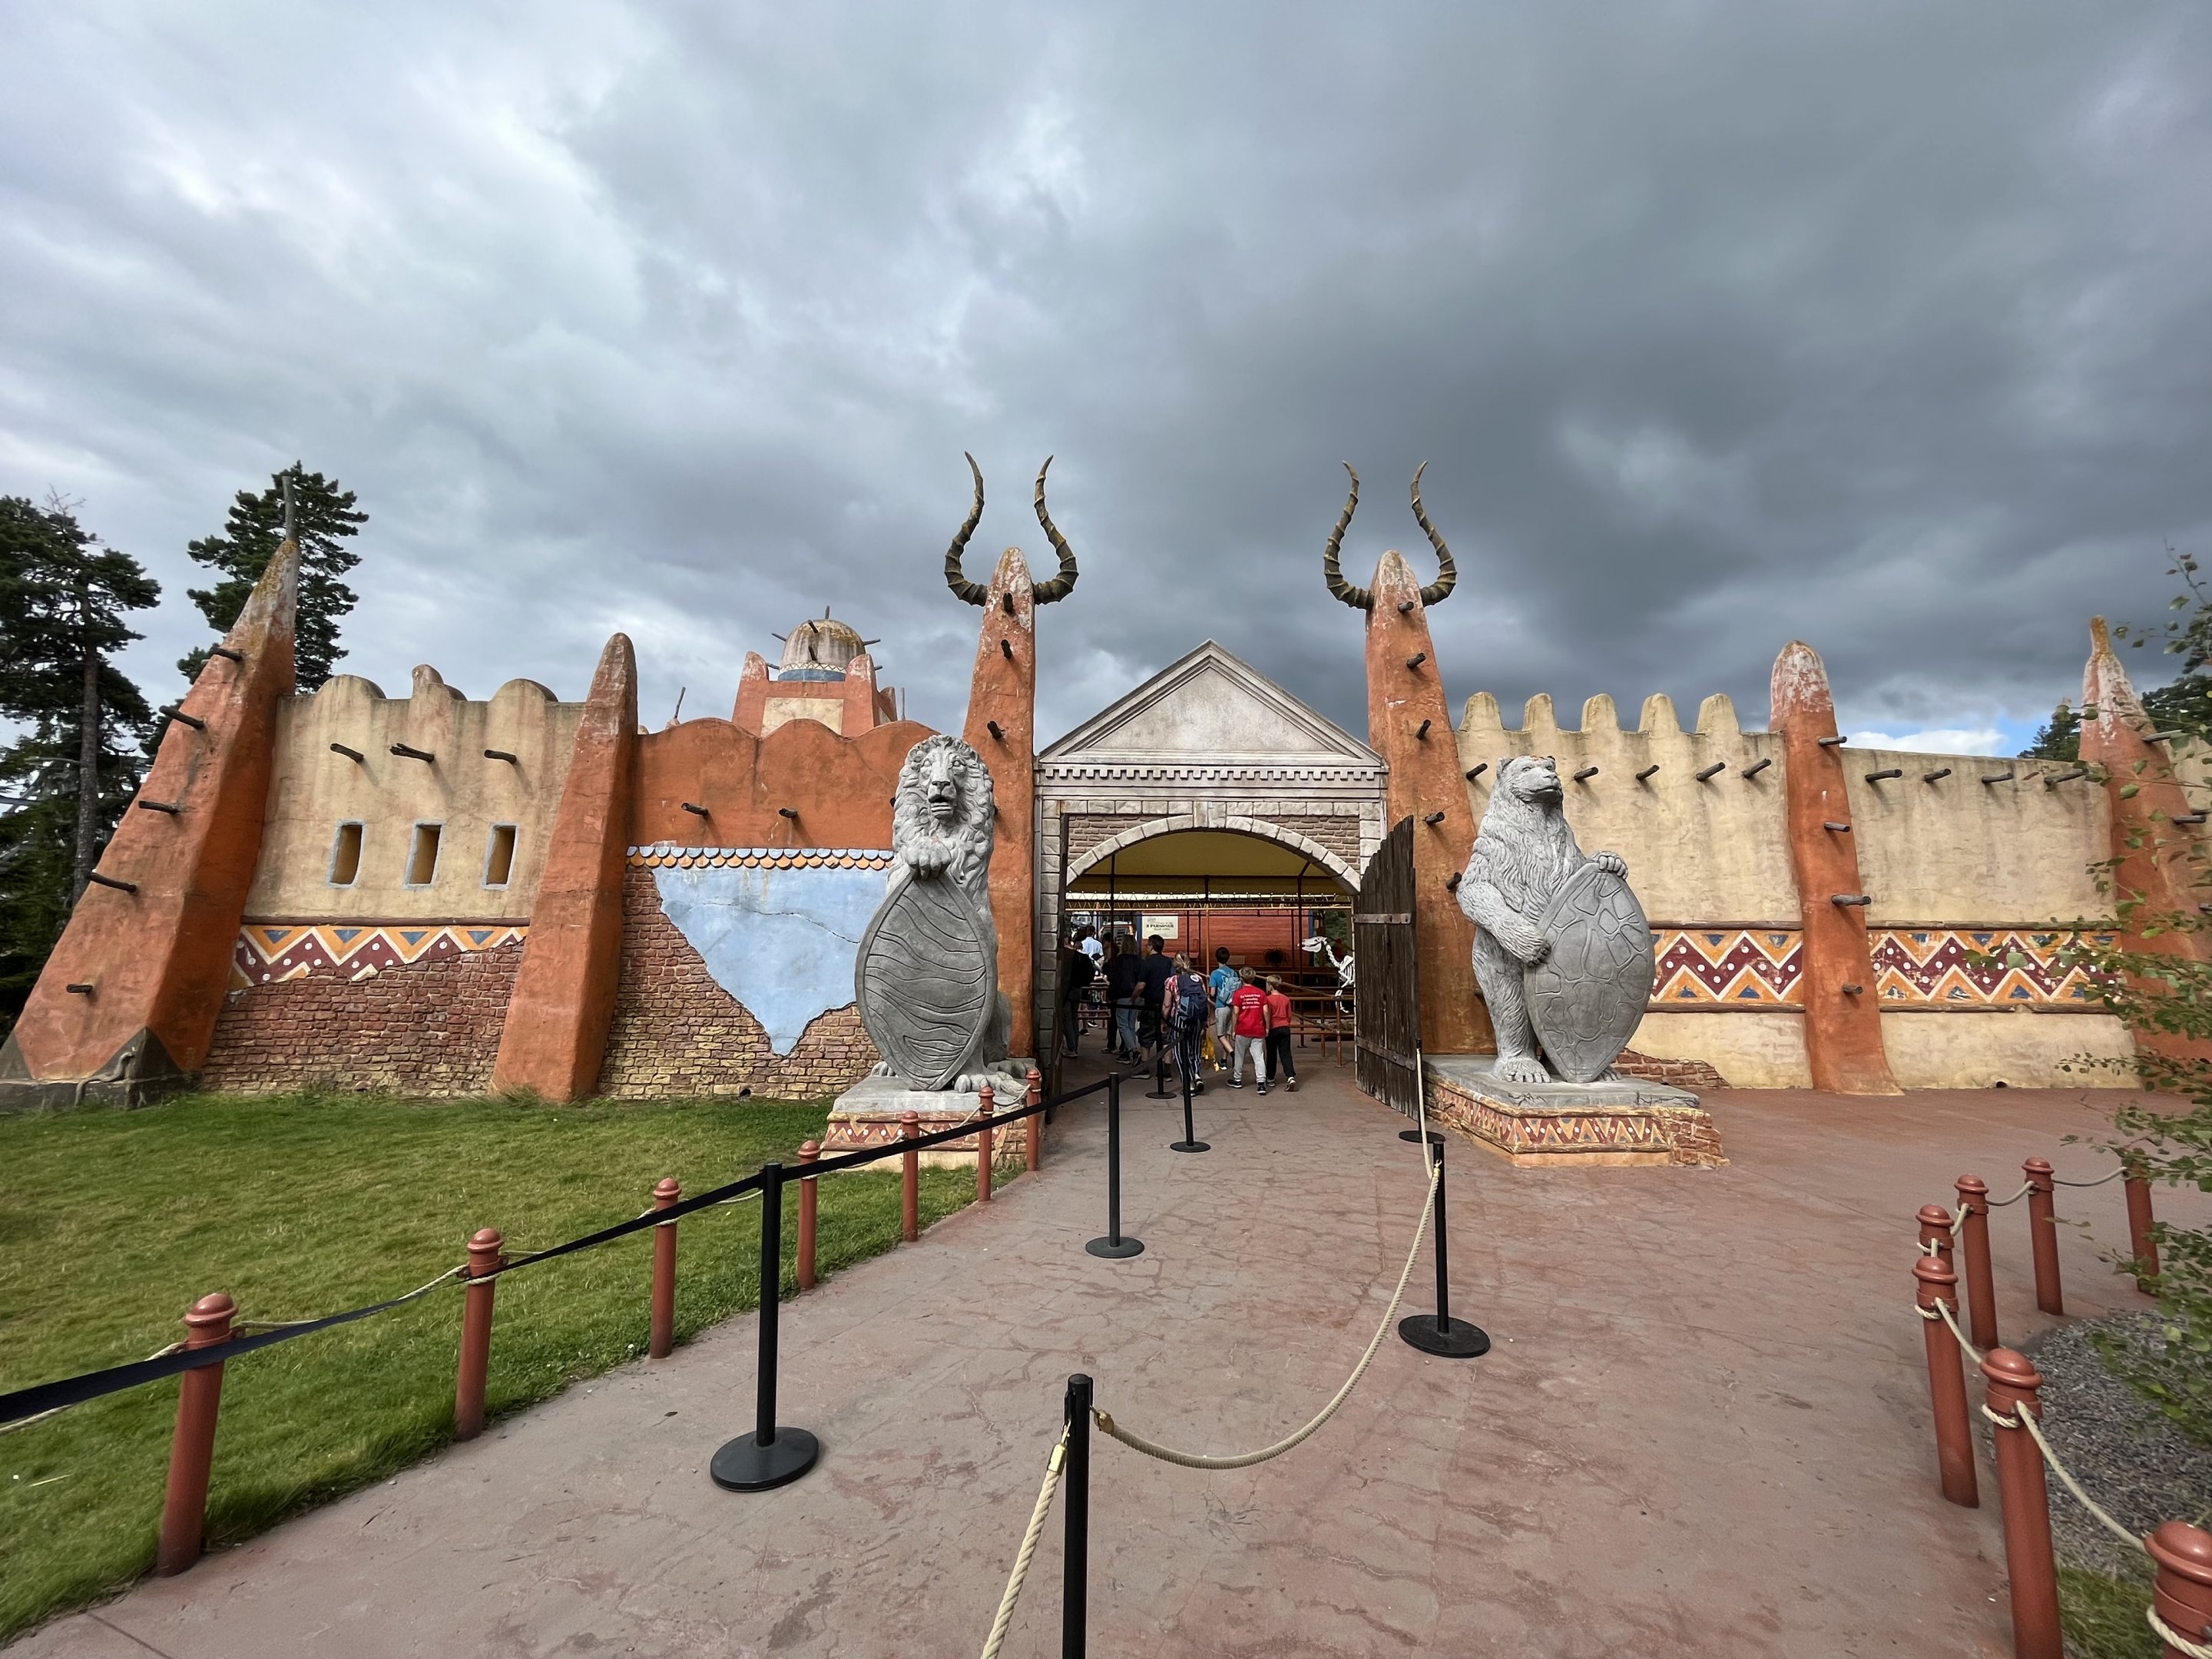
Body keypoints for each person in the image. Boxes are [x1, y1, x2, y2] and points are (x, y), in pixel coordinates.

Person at [1164, 952, 1210, 1091]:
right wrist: (1206, 1019)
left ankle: (1188, 1084)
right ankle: (1196, 1075)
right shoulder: (1198, 978)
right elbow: (1204, 998)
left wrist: (1164, 1020)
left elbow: (1167, 1005)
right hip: (1198, 1018)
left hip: (1181, 1018)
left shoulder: (1171, 981)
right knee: (1195, 1048)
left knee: (1180, 1051)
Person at [1137, 934, 1177, 1068]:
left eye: (1148, 944)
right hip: (1166, 1004)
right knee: (1166, 1038)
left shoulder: (1147, 963)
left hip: (1150, 1005)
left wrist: (1133, 997)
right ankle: (1167, 1069)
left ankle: (1144, 1068)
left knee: (1145, 1038)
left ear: (1151, 946)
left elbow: (1141, 985)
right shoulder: (1169, 962)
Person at [1228, 968, 1270, 1092]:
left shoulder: (1238, 994)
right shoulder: (1261, 993)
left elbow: (1236, 1013)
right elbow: (1266, 1011)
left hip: (1243, 1029)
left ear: (1241, 978)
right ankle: (1261, 1082)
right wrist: (1267, 1026)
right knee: (1259, 1057)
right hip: (1257, 1029)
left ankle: (1237, 1079)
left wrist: (1234, 1029)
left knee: (1239, 1055)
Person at [1104, 937, 1143, 1061]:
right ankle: (1129, 1051)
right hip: (1136, 994)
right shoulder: (1139, 960)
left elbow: (1115, 979)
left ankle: (1133, 1051)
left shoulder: (1120, 960)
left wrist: (1111, 995)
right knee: (1131, 1024)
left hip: (1123, 995)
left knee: (1123, 1023)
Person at [1060, 928, 1096, 1055]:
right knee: (1074, 1018)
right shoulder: (1079, 956)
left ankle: (1072, 1047)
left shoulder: (1066, 956)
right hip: (1078, 989)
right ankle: (1074, 1045)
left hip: (1067, 990)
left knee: (1067, 1019)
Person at [1207, 947, 1240, 1075]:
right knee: (1227, 1034)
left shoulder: (1215, 974)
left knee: (1220, 1035)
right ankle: (1224, 1061)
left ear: (1216, 958)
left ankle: (1233, 1053)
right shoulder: (1234, 973)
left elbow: (1212, 993)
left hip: (1221, 1006)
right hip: (1232, 1006)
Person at [1263, 975, 1298, 1093]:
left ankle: (1271, 1077)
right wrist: (1286, 1023)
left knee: (1271, 1054)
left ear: (1269, 985)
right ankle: (1290, 1076)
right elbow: (1289, 1015)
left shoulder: (1268, 1000)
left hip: (1273, 1027)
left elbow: (1267, 1014)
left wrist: (1266, 1027)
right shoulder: (1286, 999)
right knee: (1286, 1053)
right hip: (1285, 1027)